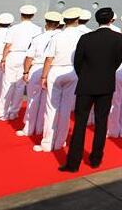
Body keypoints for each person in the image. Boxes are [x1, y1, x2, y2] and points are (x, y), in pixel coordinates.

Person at [59, 7, 122, 171]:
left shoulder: (86, 38)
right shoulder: (119, 38)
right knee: (101, 123)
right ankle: (96, 159)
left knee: (79, 124)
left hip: (86, 85)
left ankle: (73, 163)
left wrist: (85, 76)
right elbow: (117, 61)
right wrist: (106, 74)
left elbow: (78, 62)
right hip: (106, 85)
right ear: (111, 20)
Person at [34, 8, 82, 152]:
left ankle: (47, 143)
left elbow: (49, 58)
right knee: (66, 108)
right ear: (77, 20)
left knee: (51, 108)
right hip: (73, 71)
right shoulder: (82, 36)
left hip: (56, 71)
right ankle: (60, 142)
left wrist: (44, 76)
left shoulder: (57, 37)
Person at [17, 11, 62, 137]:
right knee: (48, 102)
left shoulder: (38, 38)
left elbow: (29, 58)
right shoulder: (60, 37)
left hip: (37, 69)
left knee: (32, 100)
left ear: (46, 23)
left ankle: (28, 128)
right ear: (58, 24)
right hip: (52, 70)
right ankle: (41, 129)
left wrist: (25, 72)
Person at [0, 5, 42, 121]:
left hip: (13, 55)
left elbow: (8, 45)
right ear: (32, 16)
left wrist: (3, 59)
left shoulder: (13, 28)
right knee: (20, 86)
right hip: (26, 56)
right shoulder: (37, 29)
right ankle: (14, 112)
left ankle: (2, 113)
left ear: (21, 15)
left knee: (7, 84)